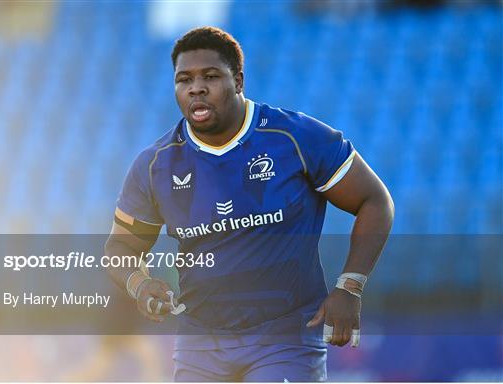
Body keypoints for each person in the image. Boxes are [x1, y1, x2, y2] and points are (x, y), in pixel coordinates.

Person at [105, 26, 394, 382]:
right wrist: (140, 283)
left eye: (210, 76)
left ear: (238, 80)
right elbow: (120, 247)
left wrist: (350, 286)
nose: (196, 87)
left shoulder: (295, 138)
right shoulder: (155, 165)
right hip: (201, 341)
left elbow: (374, 200)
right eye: (184, 79)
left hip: (285, 335)